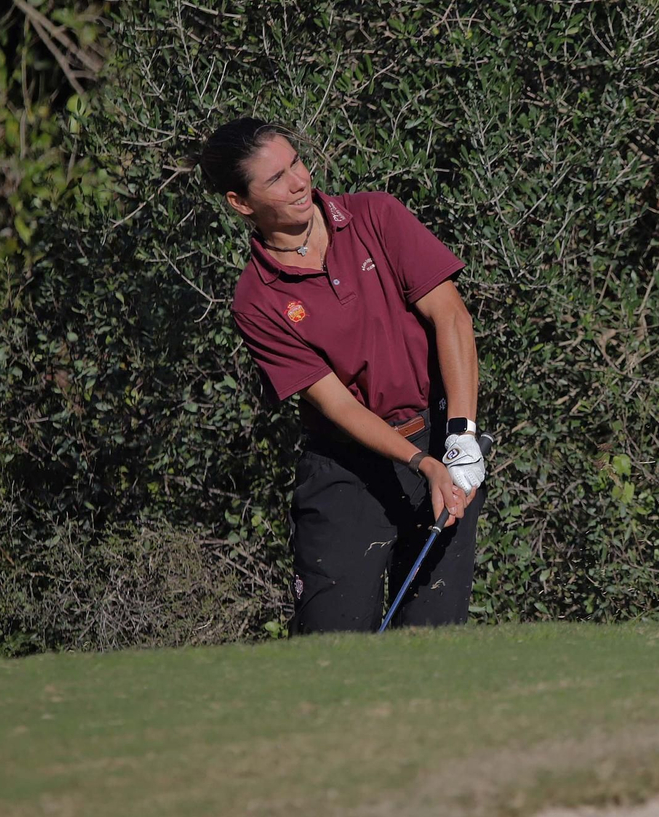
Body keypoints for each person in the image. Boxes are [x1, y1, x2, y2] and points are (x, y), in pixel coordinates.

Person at [199, 117, 487, 634]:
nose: (299, 181)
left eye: (297, 163)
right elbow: (338, 406)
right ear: (241, 204)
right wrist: (421, 464)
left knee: (433, 643)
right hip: (346, 469)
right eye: (276, 179)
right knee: (330, 646)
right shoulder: (257, 298)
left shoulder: (376, 214)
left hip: (442, 438)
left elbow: (452, 316)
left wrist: (461, 439)